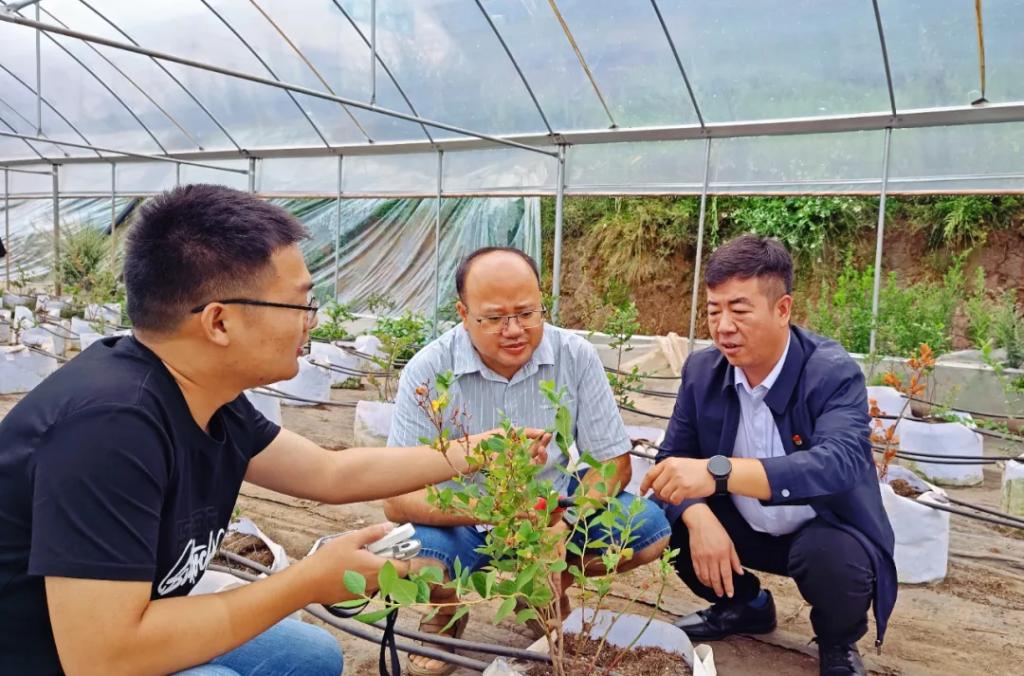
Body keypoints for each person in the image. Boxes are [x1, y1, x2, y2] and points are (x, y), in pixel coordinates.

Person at [0, 185, 547, 676]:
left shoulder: (204, 393)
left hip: (118, 633)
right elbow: (104, 660)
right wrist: (306, 580)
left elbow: (331, 473)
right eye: (299, 303)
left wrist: (478, 451)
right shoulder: (109, 428)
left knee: (309, 656)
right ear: (219, 321)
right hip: (56, 657)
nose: (312, 320)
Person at [384, 246, 671, 676]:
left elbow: (613, 463)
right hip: (460, 515)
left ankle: (541, 590)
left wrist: (564, 521)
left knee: (646, 529)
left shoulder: (574, 355)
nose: (515, 330)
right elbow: (396, 498)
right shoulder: (428, 371)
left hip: (550, 506)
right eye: (495, 318)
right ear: (463, 314)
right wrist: (498, 511)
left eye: (526, 313)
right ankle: (446, 608)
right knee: (413, 557)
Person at [640, 235, 896, 676]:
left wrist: (718, 473)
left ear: (783, 309)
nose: (723, 327)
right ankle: (745, 605)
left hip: (820, 528)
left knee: (835, 560)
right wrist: (699, 518)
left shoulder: (830, 372)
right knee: (671, 516)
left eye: (739, 311)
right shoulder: (703, 372)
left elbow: (838, 461)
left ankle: (837, 641)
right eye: (713, 311)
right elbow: (672, 459)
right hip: (744, 522)